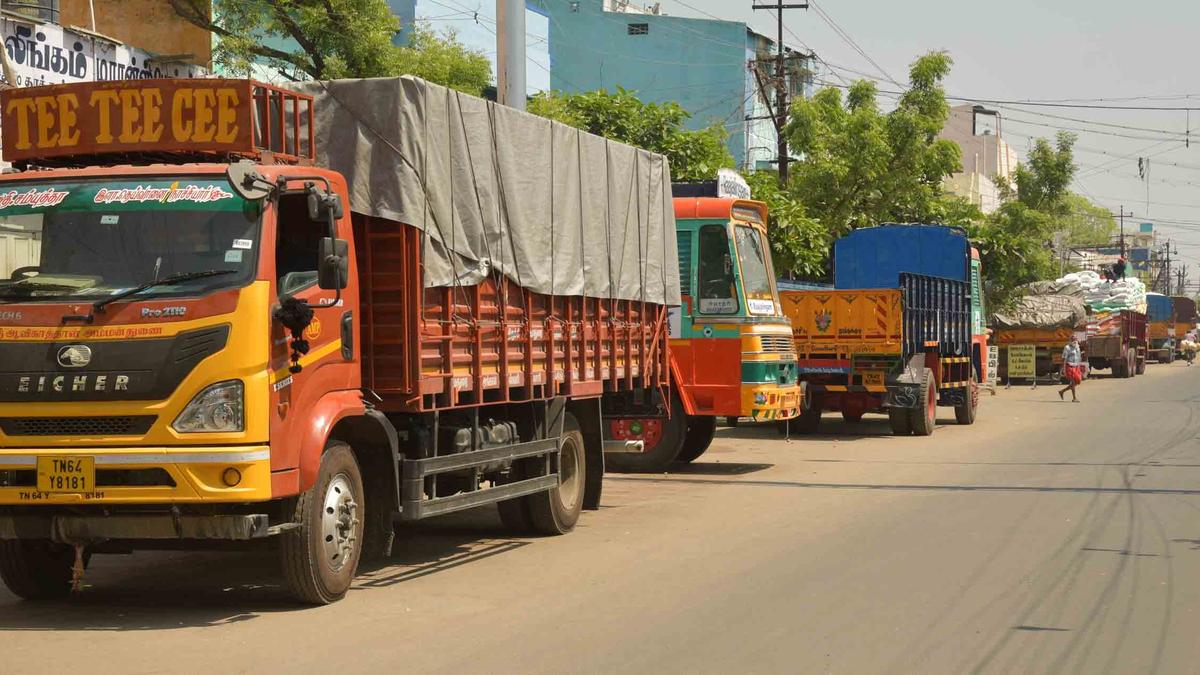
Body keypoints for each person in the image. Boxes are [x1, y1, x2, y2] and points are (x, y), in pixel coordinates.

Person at [1058, 337, 1084, 402]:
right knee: (1073, 382)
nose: (1075, 341)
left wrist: (1080, 365)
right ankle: (1074, 398)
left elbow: (1078, 357)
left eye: (1076, 340)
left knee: (1078, 381)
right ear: (1070, 341)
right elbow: (1064, 358)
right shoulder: (1067, 347)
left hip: (1076, 366)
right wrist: (1063, 368)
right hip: (1069, 366)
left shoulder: (1077, 347)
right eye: (1073, 340)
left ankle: (1062, 391)